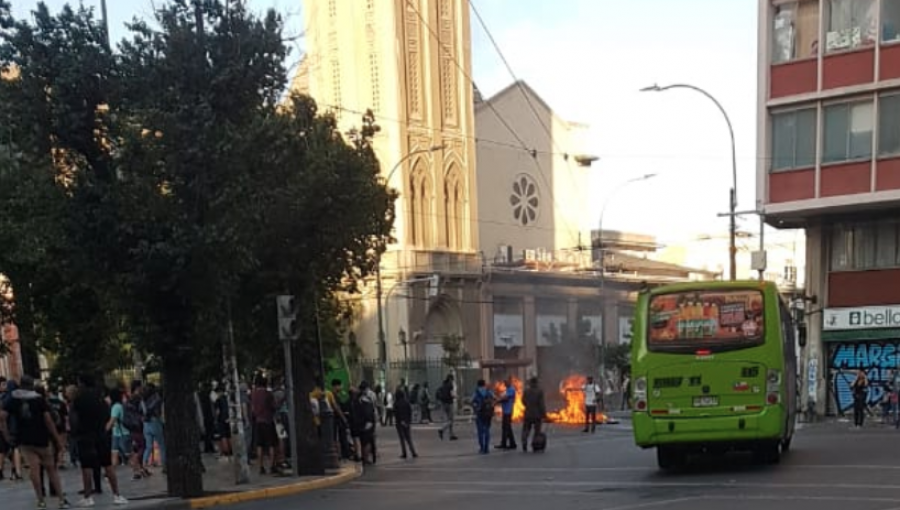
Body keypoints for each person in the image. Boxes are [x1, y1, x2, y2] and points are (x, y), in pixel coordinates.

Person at [0, 375, 69, 509]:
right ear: (32, 385)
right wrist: (57, 438)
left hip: (24, 439)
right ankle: (61, 499)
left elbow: (2, 416)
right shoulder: (38, 399)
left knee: (34, 470)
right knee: (51, 469)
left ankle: (41, 500)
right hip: (42, 437)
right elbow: (48, 420)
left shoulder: (13, 399)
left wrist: (6, 434)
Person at [73, 375, 127, 506]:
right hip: (101, 434)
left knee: (87, 466)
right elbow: (106, 415)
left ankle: (88, 497)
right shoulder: (101, 399)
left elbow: (74, 418)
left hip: (85, 435)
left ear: (82, 383)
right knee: (107, 464)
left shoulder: (79, 399)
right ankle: (117, 495)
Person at [251, 375, 277, 474]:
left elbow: (252, 409)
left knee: (259, 445)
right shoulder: (268, 394)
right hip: (268, 420)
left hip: (258, 421)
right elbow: (273, 406)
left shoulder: (254, 394)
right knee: (271, 444)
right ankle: (272, 466)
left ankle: (261, 467)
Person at [521, 377, 546, 452]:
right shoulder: (539, 391)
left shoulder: (526, 391)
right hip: (537, 414)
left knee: (526, 430)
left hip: (527, 414)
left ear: (530, 383)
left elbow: (523, 401)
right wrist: (544, 414)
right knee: (537, 430)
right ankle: (535, 444)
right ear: (536, 383)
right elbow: (541, 404)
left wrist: (528, 405)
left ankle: (524, 443)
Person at [472, 380, 495, 455]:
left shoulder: (476, 392)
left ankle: (482, 448)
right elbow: (495, 398)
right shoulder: (488, 391)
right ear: (484, 384)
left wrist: (475, 407)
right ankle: (486, 448)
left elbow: (472, 401)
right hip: (488, 414)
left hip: (480, 413)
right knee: (487, 430)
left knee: (480, 431)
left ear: (477, 385)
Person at [393, 390, 417, 459]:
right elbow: (410, 412)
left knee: (402, 439)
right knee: (409, 438)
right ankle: (413, 452)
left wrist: (400, 420)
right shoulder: (407, 402)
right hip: (407, 422)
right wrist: (408, 421)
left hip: (399, 423)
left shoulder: (396, 403)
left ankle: (404, 453)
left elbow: (396, 414)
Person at [497, 376, 517, 450]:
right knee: (506, 428)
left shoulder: (511, 389)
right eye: (504, 382)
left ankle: (509, 444)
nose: (504, 384)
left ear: (509, 382)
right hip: (505, 411)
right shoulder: (507, 390)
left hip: (508, 411)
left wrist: (497, 401)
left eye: (506, 382)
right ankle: (508, 443)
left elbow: (505, 398)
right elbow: (503, 397)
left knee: (507, 428)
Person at [436, 375, 458, 441]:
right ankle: (442, 429)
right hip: (449, 404)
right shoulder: (450, 385)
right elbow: (452, 394)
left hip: (443, 404)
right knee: (451, 420)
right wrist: (456, 397)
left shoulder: (443, 385)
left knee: (449, 420)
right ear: (450, 379)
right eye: (452, 379)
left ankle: (451, 435)